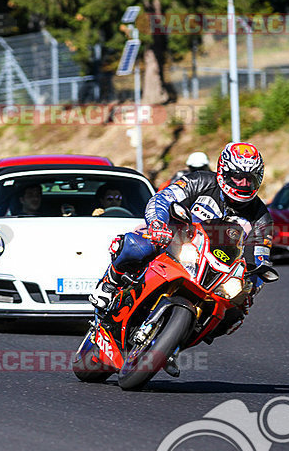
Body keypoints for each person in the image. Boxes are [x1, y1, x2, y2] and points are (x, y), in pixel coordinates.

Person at [89, 142, 274, 376]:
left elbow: (259, 257)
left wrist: (251, 286)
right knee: (138, 245)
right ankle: (109, 283)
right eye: (238, 177)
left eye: (250, 179)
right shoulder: (200, 181)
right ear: (224, 172)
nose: (244, 184)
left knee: (233, 316)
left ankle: (172, 347)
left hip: (214, 270)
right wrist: (158, 223)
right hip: (174, 239)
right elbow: (162, 198)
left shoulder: (261, 218)